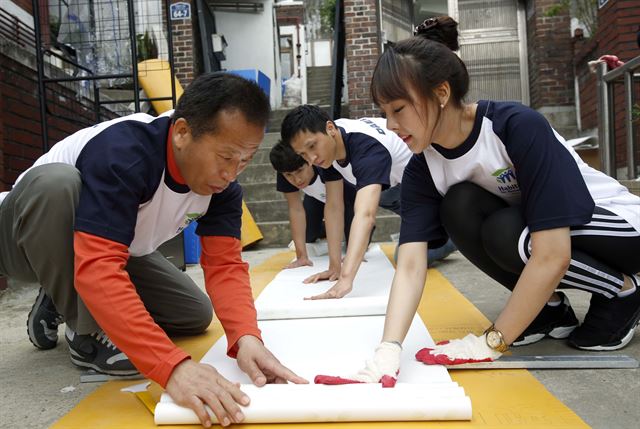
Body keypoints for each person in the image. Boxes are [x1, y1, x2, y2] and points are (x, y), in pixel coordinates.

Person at [330, 16, 640, 384]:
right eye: (384, 113)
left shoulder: (515, 125)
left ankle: (623, 290)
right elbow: (411, 265)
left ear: (441, 93)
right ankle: (549, 312)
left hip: (622, 227)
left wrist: (492, 342)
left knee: (510, 230)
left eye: (398, 109)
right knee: (459, 206)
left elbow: (552, 253)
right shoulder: (422, 167)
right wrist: (389, 348)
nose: (391, 125)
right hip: (539, 235)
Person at [0, 72, 307, 427]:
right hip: (22, 238)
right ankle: (85, 336)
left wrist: (246, 338)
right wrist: (173, 367)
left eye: (245, 160)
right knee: (58, 184)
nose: (232, 173)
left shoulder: (224, 188)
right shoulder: (126, 152)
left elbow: (224, 266)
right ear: (181, 133)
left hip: (109, 247)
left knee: (193, 312)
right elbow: (100, 267)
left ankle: (58, 295)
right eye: (225, 157)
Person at [280, 105, 455, 300]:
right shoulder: (327, 147)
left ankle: (450, 237)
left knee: (405, 257)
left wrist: (346, 279)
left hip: (430, 187)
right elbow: (334, 207)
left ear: (330, 129)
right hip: (395, 187)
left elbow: (365, 215)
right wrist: (334, 266)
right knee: (380, 195)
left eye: (312, 146)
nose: (311, 159)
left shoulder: (366, 148)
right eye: (303, 154)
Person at [269, 141, 357, 269]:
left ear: (309, 160)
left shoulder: (325, 164)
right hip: (317, 198)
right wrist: (301, 256)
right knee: (307, 236)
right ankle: (326, 228)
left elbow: (335, 206)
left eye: (300, 171)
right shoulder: (285, 169)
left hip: (348, 199)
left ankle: (359, 230)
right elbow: (295, 209)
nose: (297, 180)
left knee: (355, 247)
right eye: (289, 175)